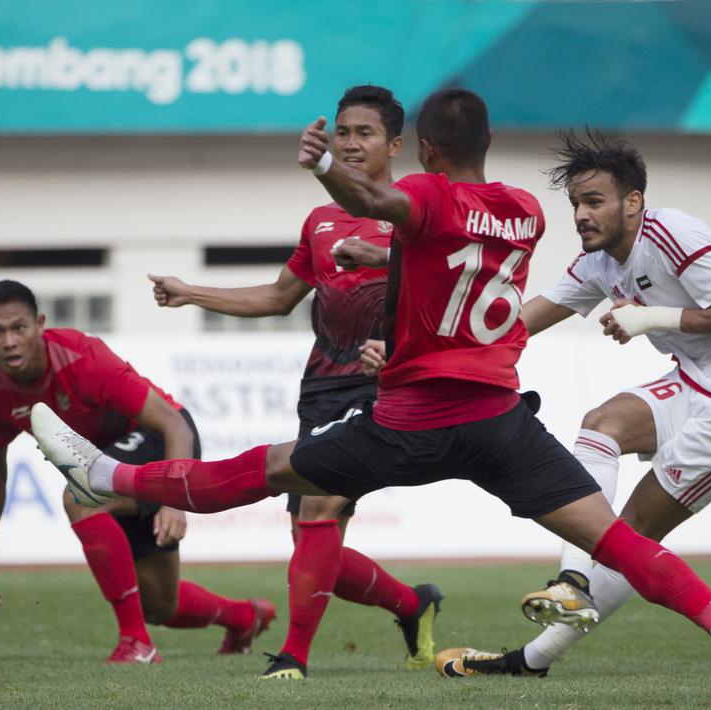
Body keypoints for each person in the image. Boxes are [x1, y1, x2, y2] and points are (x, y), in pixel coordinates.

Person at [30, 90, 711, 705]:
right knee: (617, 539)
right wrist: (391, 253)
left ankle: (106, 479)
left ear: (428, 152)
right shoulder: (526, 212)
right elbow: (483, 287)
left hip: (410, 422)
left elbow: (387, 207)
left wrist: (321, 172)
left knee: (264, 471)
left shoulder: (425, 198)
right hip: (500, 426)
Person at [431, 131, 711, 705]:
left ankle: (538, 656)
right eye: (576, 205)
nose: (582, 216)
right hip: (692, 381)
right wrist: (436, 353)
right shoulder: (595, 263)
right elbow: (517, 323)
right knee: (601, 423)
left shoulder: (673, 233)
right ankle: (572, 582)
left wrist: (651, 317)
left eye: (594, 202)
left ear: (632, 202)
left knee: (630, 537)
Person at [146, 85, 440, 679]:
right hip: (324, 388)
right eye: (343, 132)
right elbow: (280, 297)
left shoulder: (420, 208)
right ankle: (413, 604)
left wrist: (386, 264)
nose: (352, 143)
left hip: (390, 385)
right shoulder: (323, 220)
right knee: (314, 532)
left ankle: (293, 658)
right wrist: (191, 292)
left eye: (366, 133)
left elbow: (452, 276)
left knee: (320, 509)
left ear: (397, 144)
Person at [0, 279, 275, 664]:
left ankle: (137, 644)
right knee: (159, 605)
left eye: (19, 327)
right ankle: (244, 617)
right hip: (109, 465)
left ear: (40, 324)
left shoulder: (83, 357)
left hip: (160, 443)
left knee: (80, 498)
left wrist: (174, 501)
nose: (9, 341)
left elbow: (173, 424)